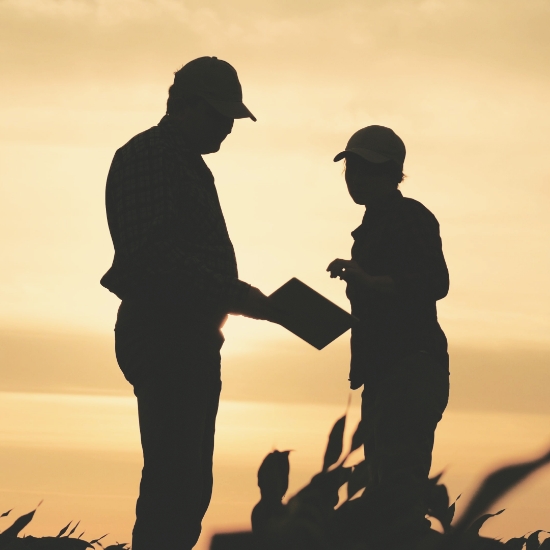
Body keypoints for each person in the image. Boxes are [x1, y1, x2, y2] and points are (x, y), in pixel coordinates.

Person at [100, 56, 278, 550]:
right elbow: (154, 255)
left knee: (189, 482)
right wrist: (237, 295)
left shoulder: (183, 162)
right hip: (165, 333)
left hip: (191, 337)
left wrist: (232, 299)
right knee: (174, 479)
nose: (227, 128)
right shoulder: (150, 155)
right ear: (191, 107)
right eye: (221, 116)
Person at [327, 126, 450, 550]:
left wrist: (368, 279)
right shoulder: (371, 227)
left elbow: (434, 282)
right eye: (351, 167)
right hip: (384, 374)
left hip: (410, 368)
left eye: (366, 169)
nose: (354, 177)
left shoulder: (410, 216)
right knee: (384, 499)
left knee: (399, 498)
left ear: (392, 173)